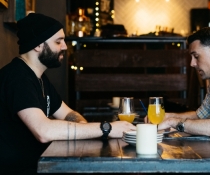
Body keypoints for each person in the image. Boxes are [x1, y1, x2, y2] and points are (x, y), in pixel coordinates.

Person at [0, 13, 136, 174]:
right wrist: (106, 129)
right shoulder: (18, 77)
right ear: (37, 45)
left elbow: (69, 114)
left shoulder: (40, 78)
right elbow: (44, 131)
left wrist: (88, 130)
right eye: (58, 41)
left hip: (40, 166)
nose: (65, 46)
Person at [157, 27, 210, 157]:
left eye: (196, 56)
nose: (192, 63)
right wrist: (168, 117)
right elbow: (201, 116)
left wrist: (174, 122)